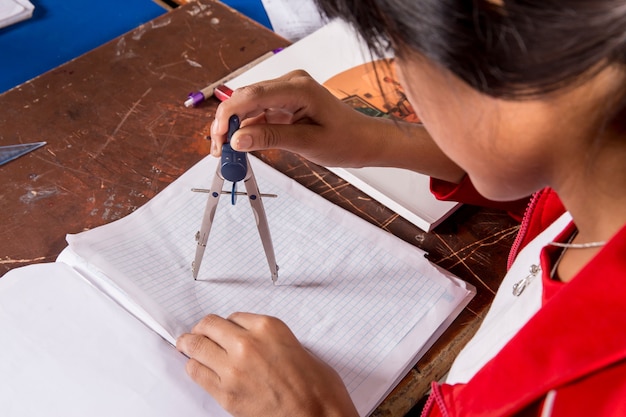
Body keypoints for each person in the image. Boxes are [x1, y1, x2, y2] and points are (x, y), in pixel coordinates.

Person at [176, 0, 626, 415]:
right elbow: (549, 193)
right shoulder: (595, 198)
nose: (400, 83)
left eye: (402, 55)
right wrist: (376, 139)